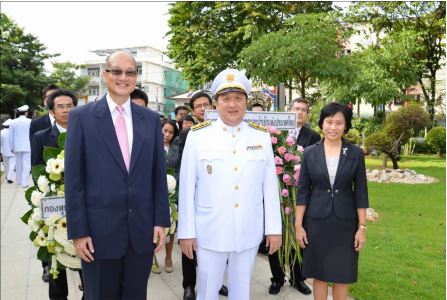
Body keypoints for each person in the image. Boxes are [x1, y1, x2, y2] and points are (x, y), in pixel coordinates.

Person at [65, 50, 170, 300]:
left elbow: (158, 175)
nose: (123, 77)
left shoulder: (151, 119)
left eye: (130, 72)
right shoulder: (82, 118)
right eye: (116, 71)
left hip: (141, 233)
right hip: (98, 235)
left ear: (136, 78)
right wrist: (79, 232)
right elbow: (74, 181)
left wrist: (160, 221)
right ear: (105, 75)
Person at [178, 68, 282, 300]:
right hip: (209, 231)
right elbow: (186, 188)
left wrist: (274, 229)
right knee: (207, 291)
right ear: (216, 103)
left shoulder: (260, 136)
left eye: (238, 98)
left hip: (247, 229)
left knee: (241, 291)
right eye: (226, 99)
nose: (232, 104)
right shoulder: (198, 136)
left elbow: (269, 187)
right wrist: (186, 232)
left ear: (246, 102)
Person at [295, 102, 368, 300]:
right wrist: (298, 225)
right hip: (316, 222)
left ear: (346, 126)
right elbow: (302, 192)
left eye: (338, 123)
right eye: (329, 122)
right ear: (321, 124)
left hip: (345, 223)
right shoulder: (310, 152)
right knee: (319, 275)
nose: (333, 127)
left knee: (342, 275)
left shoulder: (354, 154)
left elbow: (361, 192)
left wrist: (362, 228)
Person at [175, 91, 228, 300]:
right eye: (199, 106)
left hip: (219, 201)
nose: (204, 109)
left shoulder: (226, 130)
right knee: (191, 244)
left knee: (219, 244)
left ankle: (216, 282)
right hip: (196, 199)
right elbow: (182, 168)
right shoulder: (190, 134)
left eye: (207, 104)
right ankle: (189, 285)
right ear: (193, 110)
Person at [31, 89, 81, 300]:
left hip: (81, 204)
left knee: (83, 253)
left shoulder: (86, 134)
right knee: (56, 254)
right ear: (51, 110)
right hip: (54, 204)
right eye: (60, 106)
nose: (66, 110)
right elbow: (36, 170)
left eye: (69, 106)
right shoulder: (41, 137)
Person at [267, 98, 321, 295]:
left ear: (307, 114)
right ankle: (277, 278)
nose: (299, 112)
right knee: (275, 233)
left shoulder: (313, 136)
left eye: (303, 110)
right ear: (288, 111)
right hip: (276, 193)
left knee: (300, 235)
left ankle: (298, 278)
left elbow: (314, 162)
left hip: (301, 193)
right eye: (295, 108)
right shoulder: (274, 133)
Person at [8, 105, 31, 188]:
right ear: (26, 112)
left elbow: (11, 136)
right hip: (28, 146)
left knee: (18, 163)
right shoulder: (30, 121)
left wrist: (11, 147)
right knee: (27, 164)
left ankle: (18, 181)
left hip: (16, 146)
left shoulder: (13, 122)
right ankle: (24, 183)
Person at [1, 119, 15, 184]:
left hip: (4, 151)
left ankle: (7, 176)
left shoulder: (1, 132)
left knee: (6, 165)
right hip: (13, 151)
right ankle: (9, 178)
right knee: (12, 165)